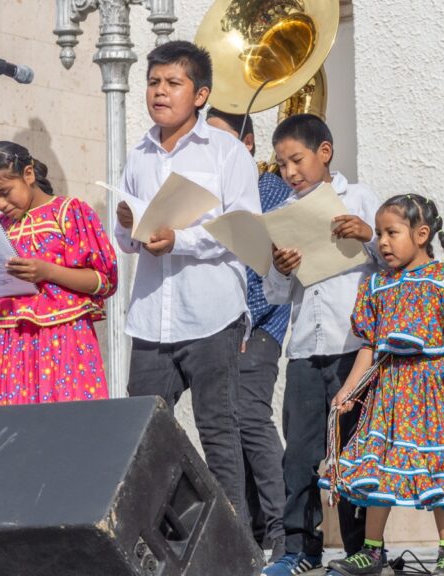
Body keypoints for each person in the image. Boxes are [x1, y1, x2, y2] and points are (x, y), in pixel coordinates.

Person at [116, 40, 261, 524]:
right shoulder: (138, 153)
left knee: (219, 429)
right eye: (153, 82)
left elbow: (241, 228)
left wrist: (178, 239)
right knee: (142, 431)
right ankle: (159, 534)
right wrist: (126, 224)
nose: (159, 92)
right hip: (151, 317)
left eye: (172, 83)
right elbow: (128, 241)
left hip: (211, 314)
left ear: (199, 95)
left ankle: (233, 541)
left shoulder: (225, 152)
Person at [324, 194, 444, 576]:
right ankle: (371, 550)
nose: (382, 242)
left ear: (421, 234)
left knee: (441, 463)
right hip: (388, 389)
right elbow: (369, 346)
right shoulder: (377, 287)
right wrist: (349, 390)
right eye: (380, 233)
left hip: (435, 386)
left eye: (391, 232)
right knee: (377, 464)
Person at [261, 113, 378, 576]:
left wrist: (367, 236)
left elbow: (393, 258)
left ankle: (359, 550)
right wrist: (281, 268)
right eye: (281, 164)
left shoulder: (360, 197)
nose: (290, 172)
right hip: (305, 350)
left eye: (296, 159)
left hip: (353, 345)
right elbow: (273, 295)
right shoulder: (282, 215)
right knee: (301, 455)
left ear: (324, 152)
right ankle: (300, 550)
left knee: (354, 451)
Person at [0, 141, 117, 405]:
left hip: (65, 338)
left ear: (28, 174)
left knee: (66, 424)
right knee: (14, 431)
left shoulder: (69, 212)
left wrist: (48, 272)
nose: (1, 203)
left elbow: (103, 282)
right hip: (10, 343)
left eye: (5, 192)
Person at [206, 108, 292, 561]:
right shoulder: (216, 193)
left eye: (221, 139)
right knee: (226, 425)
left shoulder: (271, 190)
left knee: (251, 419)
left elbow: (265, 268)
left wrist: (240, 321)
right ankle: (248, 529)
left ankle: (282, 532)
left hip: (258, 326)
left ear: (249, 143)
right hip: (222, 326)